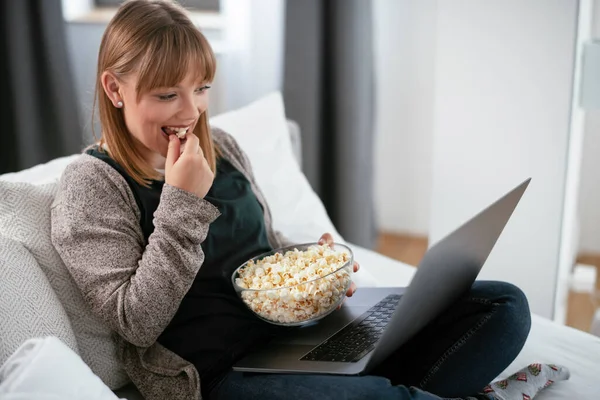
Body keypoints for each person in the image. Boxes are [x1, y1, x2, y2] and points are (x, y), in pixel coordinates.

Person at [50, 1, 568, 399]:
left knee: (504, 305)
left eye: (202, 88)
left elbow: (261, 252)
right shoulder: (92, 185)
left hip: (305, 337)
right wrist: (182, 201)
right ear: (115, 88)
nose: (192, 111)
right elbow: (136, 322)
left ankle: (384, 384)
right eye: (168, 95)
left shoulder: (222, 146)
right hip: (222, 373)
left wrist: (310, 270)